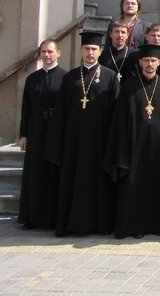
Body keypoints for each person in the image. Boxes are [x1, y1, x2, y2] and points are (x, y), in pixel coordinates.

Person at [45, 32, 121, 236]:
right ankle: (70, 224)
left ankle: (100, 224)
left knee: (99, 184)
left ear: (100, 51)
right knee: (72, 182)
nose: (90, 53)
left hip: (99, 142)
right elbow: (60, 112)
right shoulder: (70, 78)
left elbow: (116, 113)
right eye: (86, 49)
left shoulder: (110, 77)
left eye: (94, 49)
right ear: (80, 51)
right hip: (73, 142)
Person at [104, 44, 160, 239]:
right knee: (134, 187)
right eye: (146, 60)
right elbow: (120, 120)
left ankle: (158, 224)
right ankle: (134, 226)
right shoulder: (129, 87)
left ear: (159, 62)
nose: (149, 64)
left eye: (153, 60)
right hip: (135, 147)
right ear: (140, 62)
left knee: (158, 186)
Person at [17, 39, 66, 229]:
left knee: (53, 171)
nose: (46, 55)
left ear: (58, 53)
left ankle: (52, 217)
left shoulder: (66, 77)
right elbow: (26, 108)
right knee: (34, 173)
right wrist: (24, 134)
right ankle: (32, 217)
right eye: (43, 51)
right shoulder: (32, 78)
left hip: (56, 129)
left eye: (50, 51)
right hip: (36, 129)